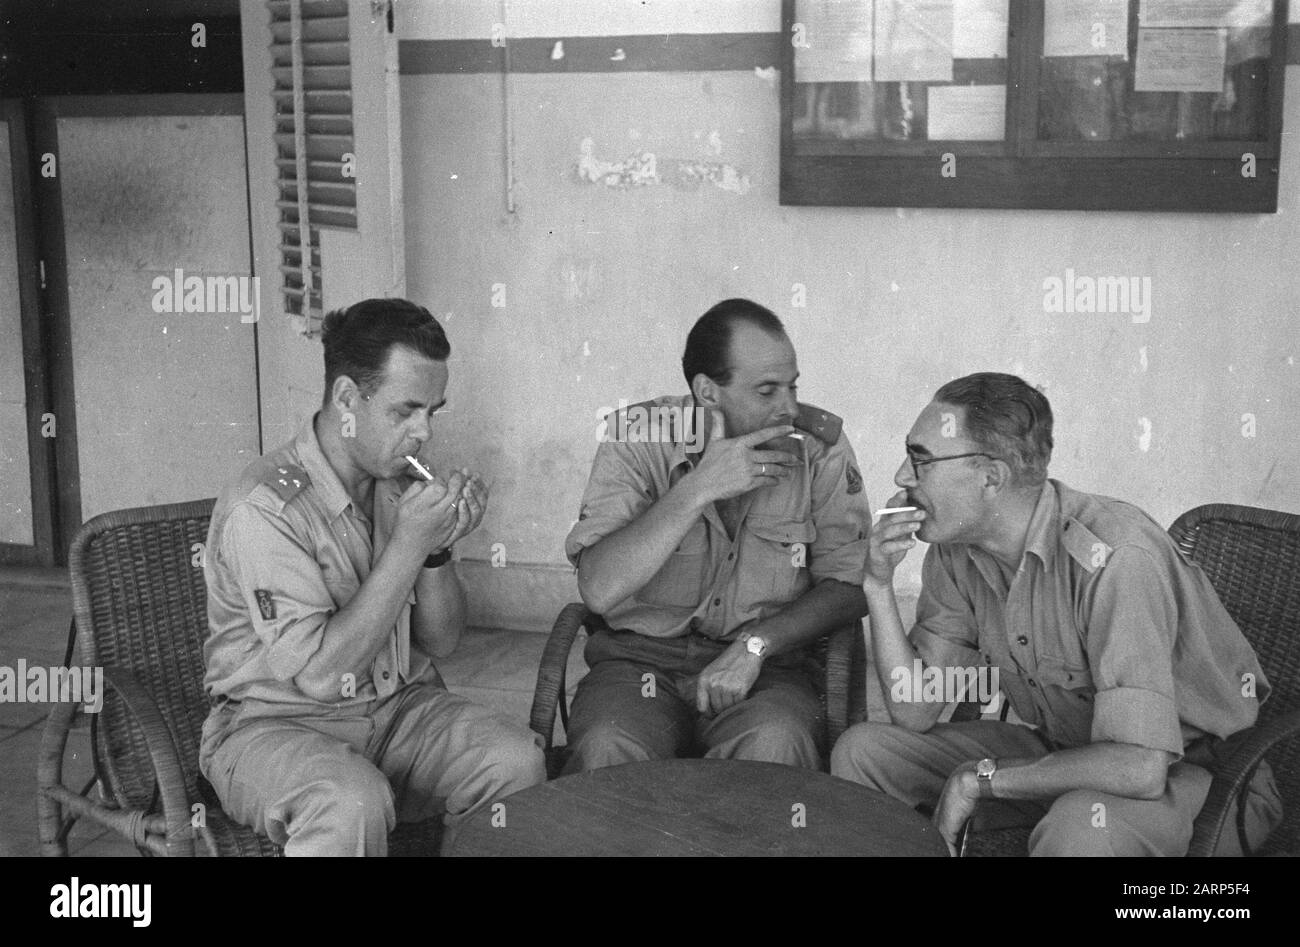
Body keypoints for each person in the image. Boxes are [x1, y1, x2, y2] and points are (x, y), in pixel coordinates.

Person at [831, 372, 1283, 856]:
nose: (902, 476)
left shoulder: (1115, 560)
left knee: (1079, 830)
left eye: (920, 460)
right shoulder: (955, 552)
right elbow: (914, 710)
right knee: (864, 753)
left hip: (1199, 777)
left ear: (991, 476)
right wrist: (877, 584)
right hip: (1066, 753)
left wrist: (978, 781)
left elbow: (1140, 767)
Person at [198, 298, 545, 856]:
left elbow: (443, 641)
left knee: (515, 762)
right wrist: (410, 544)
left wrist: (437, 550)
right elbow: (317, 677)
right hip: (273, 725)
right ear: (345, 399)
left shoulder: (397, 486)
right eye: (404, 411)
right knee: (349, 802)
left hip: (392, 710)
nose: (423, 433)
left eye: (433, 411)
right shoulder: (265, 507)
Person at [562, 298, 870, 774]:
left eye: (792, 386)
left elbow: (849, 585)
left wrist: (756, 646)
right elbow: (599, 590)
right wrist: (698, 488)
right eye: (767, 391)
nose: (788, 407)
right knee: (608, 749)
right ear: (707, 391)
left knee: (775, 745)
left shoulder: (819, 450)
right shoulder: (637, 438)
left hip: (768, 670)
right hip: (639, 664)